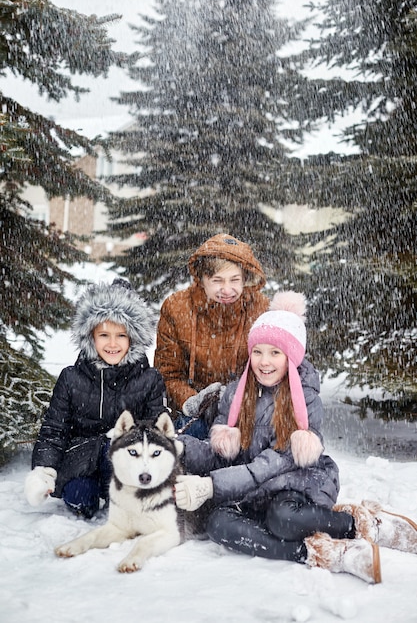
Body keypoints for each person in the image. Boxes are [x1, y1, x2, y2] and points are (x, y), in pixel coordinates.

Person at [174, 291, 417, 583]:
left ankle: (361, 524)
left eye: (275, 353)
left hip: (296, 482)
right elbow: (221, 452)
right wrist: (178, 447)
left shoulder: (306, 398)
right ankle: (319, 553)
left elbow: (277, 463)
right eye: (258, 352)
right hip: (250, 490)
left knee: (284, 519)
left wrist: (212, 485)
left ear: (291, 356)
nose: (264, 362)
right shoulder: (236, 394)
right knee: (219, 524)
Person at [24, 279, 167, 519]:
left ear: (133, 338)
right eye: (104, 335)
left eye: (121, 335)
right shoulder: (71, 378)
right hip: (81, 462)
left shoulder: (149, 379)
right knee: (81, 497)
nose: (112, 344)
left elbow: (156, 433)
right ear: (91, 336)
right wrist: (44, 471)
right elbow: (54, 431)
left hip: (125, 465)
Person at [154, 233, 270, 437]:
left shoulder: (260, 309)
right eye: (217, 280)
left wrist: (241, 399)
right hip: (192, 412)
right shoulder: (176, 308)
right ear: (202, 279)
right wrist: (192, 401)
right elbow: (168, 373)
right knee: (190, 445)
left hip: (244, 410)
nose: (227, 290)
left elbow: (273, 368)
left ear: (245, 279)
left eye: (234, 280)